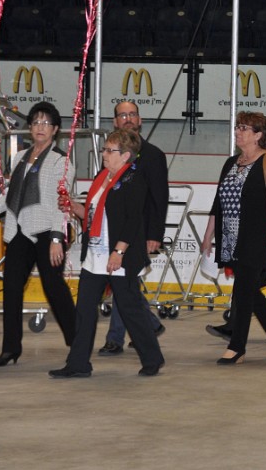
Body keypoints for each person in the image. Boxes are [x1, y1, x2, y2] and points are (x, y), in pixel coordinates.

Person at [50, 129, 164, 377]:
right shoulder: (102, 177)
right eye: (104, 149)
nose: (103, 154)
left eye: (110, 150)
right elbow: (92, 215)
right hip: (95, 256)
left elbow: (133, 220)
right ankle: (78, 364)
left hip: (119, 255)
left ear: (125, 156)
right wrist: (73, 206)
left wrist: (119, 251)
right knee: (84, 311)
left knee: (130, 309)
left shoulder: (134, 180)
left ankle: (152, 358)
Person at [0, 102, 76, 368]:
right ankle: (10, 349)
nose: (40, 127)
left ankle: (77, 343)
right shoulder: (19, 157)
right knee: (11, 288)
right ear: (30, 127)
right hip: (19, 231)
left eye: (46, 123)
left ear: (55, 129)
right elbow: (11, 195)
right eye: (35, 122)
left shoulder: (61, 162)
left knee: (54, 288)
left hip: (47, 232)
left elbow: (61, 204)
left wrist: (56, 238)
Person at [200, 112, 266, 365]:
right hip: (230, 237)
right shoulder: (231, 162)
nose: (238, 131)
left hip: (256, 236)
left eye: (244, 128)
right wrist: (208, 234)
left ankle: (237, 346)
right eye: (237, 127)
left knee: (243, 290)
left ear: (259, 134)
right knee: (248, 289)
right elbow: (218, 202)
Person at [98, 101, 168, 356]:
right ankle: (149, 324)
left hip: (139, 231)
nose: (127, 119)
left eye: (132, 114)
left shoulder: (153, 155)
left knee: (123, 283)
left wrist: (154, 234)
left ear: (140, 120)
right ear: (115, 121)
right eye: (122, 115)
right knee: (125, 284)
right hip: (111, 231)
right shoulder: (109, 154)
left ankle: (115, 338)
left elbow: (160, 198)